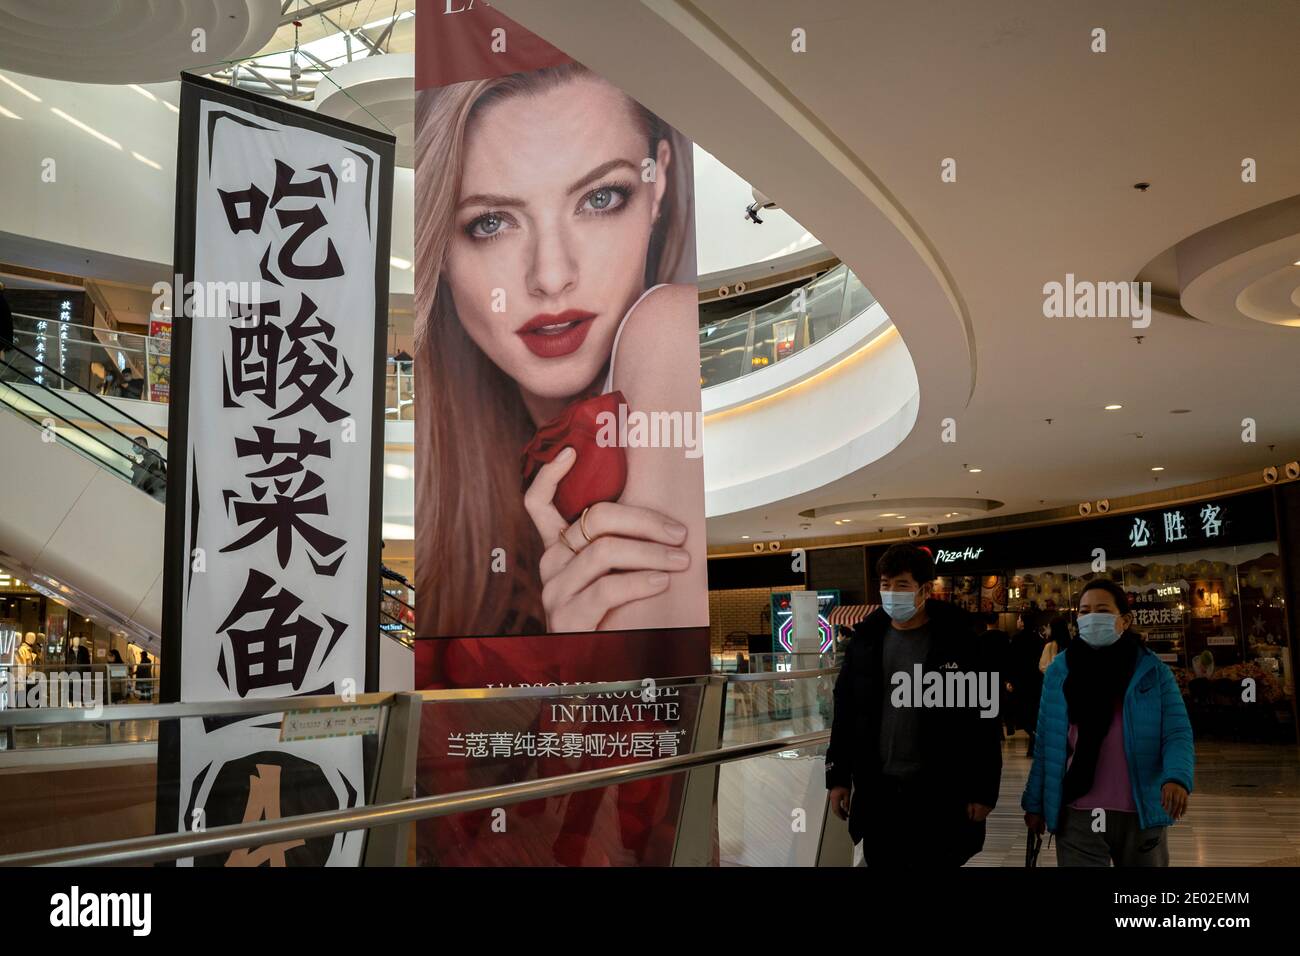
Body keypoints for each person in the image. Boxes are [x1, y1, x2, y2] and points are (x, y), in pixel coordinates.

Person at [413, 62, 702, 638]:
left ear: (658, 185)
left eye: (600, 198)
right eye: (491, 222)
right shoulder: (436, 492)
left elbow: (651, 717)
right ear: (439, 248)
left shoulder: (672, 331)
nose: (550, 276)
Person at [826, 543, 1002, 867]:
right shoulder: (865, 642)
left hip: (940, 792)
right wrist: (838, 777)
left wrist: (983, 789)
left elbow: (984, 719)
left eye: (901, 585)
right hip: (880, 792)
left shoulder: (960, 642)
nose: (891, 592)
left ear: (924, 589)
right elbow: (846, 711)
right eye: (885, 584)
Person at [1022, 579, 1193, 866]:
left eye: (1101, 610)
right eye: (1084, 611)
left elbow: (1176, 732)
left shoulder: (1152, 672)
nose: (1091, 618)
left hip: (1140, 810)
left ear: (1124, 620)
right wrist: (1036, 803)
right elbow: (1047, 746)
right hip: (1077, 812)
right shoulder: (1059, 672)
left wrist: (1177, 778)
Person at [1008, 608, 1049, 755]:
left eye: (1019, 619)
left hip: (1021, 680)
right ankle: (1034, 739)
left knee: (1022, 712)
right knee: (1033, 711)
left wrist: (1010, 680)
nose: (1018, 621)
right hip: (1036, 679)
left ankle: (1033, 736)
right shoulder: (1039, 639)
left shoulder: (1017, 638)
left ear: (1023, 622)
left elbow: (1012, 660)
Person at [975, 612, 1012, 738]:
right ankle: (1000, 730)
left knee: (987, 704)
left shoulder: (980, 638)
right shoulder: (1004, 637)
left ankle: (991, 730)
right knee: (1000, 702)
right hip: (1000, 674)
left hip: (985, 674)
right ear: (997, 621)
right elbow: (1008, 658)